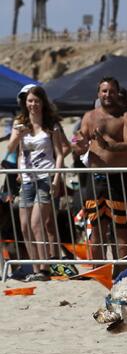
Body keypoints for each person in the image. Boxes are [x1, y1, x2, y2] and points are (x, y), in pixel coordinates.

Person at [73, 77, 127, 259]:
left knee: (121, 229)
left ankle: (122, 273)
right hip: (94, 178)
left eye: (111, 91)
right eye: (104, 91)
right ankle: (99, 272)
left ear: (117, 93)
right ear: (98, 93)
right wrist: (77, 143)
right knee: (95, 229)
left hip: (118, 178)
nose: (107, 95)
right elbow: (79, 141)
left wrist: (108, 146)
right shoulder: (89, 116)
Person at [8, 85, 70, 279]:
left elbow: (60, 153)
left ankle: (44, 267)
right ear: (25, 104)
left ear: (43, 103)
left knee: (37, 224)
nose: (33, 104)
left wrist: (57, 178)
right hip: (26, 180)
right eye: (29, 101)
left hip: (46, 178)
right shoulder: (20, 123)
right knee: (24, 226)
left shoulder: (52, 125)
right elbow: (11, 149)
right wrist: (18, 136)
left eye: (36, 101)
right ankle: (35, 268)